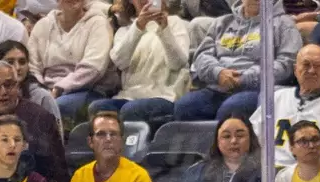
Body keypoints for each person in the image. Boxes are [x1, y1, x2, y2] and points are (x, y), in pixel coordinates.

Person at [178, 0, 300, 121]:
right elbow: (202, 55)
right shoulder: (222, 22)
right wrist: (218, 72)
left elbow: (287, 64)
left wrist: (244, 78)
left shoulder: (284, 24)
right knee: (184, 107)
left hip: (257, 89)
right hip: (218, 85)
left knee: (232, 109)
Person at [90, 0, 191, 130]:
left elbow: (177, 63)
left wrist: (164, 30)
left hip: (165, 96)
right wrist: (138, 27)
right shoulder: (124, 31)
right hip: (129, 96)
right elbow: (120, 62)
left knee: (130, 110)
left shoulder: (175, 23)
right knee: (97, 108)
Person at [251, 44, 320, 168]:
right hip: (268, 172)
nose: (312, 70)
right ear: (295, 69)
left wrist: (302, 173)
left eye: (318, 66)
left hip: (309, 175)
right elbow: (253, 138)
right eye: (306, 64)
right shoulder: (276, 97)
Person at [27, 0, 112, 125]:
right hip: (47, 90)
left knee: (53, 108)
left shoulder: (98, 23)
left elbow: (93, 68)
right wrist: (42, 90)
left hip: (87, 89)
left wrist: (59, 88)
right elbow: (32, 66)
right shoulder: (43, 25)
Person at [0, 39, 61, 122]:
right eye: (10, 62)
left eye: (22, 62)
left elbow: (57, 133)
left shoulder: (43, 97)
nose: (17, 67)